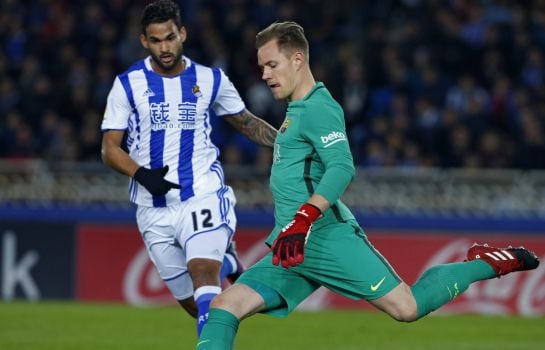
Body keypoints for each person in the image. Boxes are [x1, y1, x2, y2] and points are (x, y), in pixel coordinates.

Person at [196, 21, 540, 349]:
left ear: (297, 59)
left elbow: (342, 167)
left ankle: (488, 262)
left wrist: (303, 217)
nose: (265, 74)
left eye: (271, 65)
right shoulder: (295, 110)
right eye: (262, 67)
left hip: (325, 238)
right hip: (292, 247)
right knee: (226, 305)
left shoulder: (319, 108)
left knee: (407, 308)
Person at [100, 0, 277, 336]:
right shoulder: (127, 84)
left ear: (182, 33)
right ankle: (228, 262)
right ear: (144, 41)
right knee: (197, 306)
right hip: (153, 209)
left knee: (202, 273)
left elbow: (246, 123)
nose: (164, 47)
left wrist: (287, 142)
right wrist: (141, 174)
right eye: (156, 40)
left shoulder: (210, 79)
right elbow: (109, 149)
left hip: (201, 193)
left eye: (170, 37)